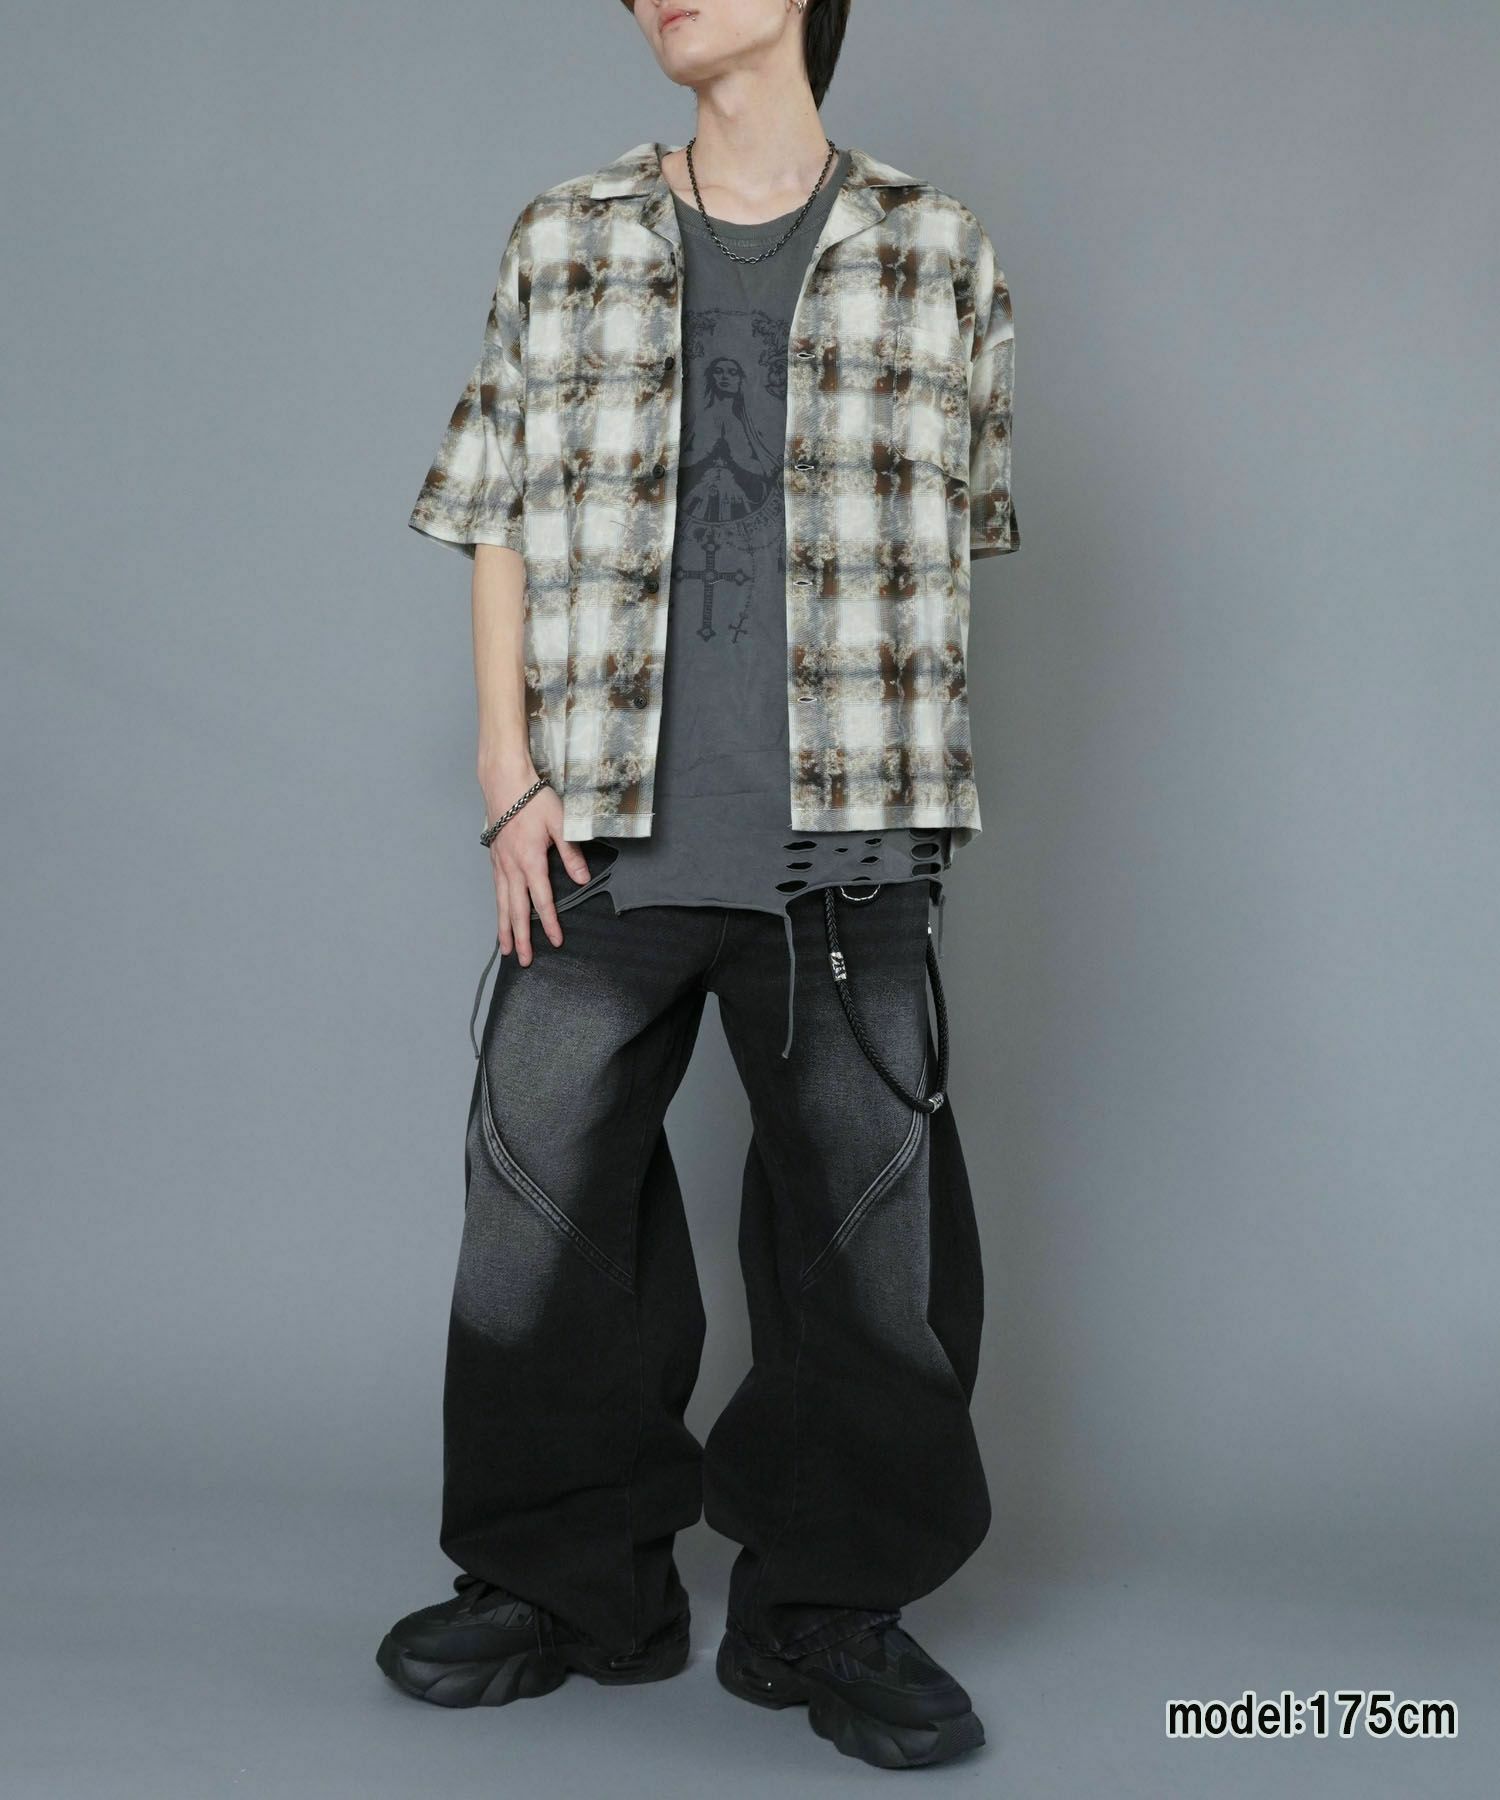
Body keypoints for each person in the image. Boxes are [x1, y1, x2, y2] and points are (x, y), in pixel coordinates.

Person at [376, 0, 1019, 1771]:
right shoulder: (565, 232)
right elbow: (495, 505)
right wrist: (507, 773)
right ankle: (569, 1586)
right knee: (540, 1224)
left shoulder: (939, 249)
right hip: (594, 829)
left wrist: (896, 803)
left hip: (851, 836)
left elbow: (959, 534)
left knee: (870, 1249)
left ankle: (830, 1609)